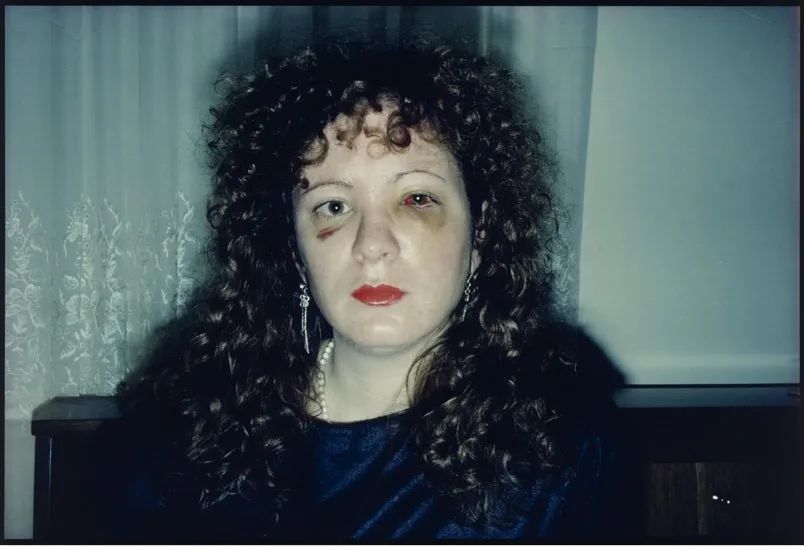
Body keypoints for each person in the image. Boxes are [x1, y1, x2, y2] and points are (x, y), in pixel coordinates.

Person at [112, 37, 630, 541]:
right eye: (334, 206)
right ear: (293, 249)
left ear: (481, 236)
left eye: (417, 199)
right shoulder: (184, 441)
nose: (372, 245)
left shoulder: (561, 456)